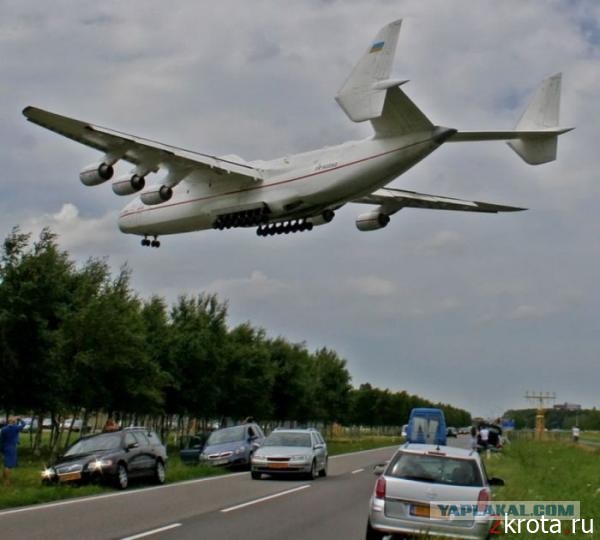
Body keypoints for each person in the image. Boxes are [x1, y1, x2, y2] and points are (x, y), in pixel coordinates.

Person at [1, 416, 26, 485]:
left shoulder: (3, 429)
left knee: (6, 463)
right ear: (14, 422)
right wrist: (20, 419)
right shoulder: (15, 428)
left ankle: (3, 477)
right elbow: (24, 424)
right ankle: (7, 481)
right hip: (12, 448)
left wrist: (1, 449)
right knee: (8, 465)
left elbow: (1, 440)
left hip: (5, 447)